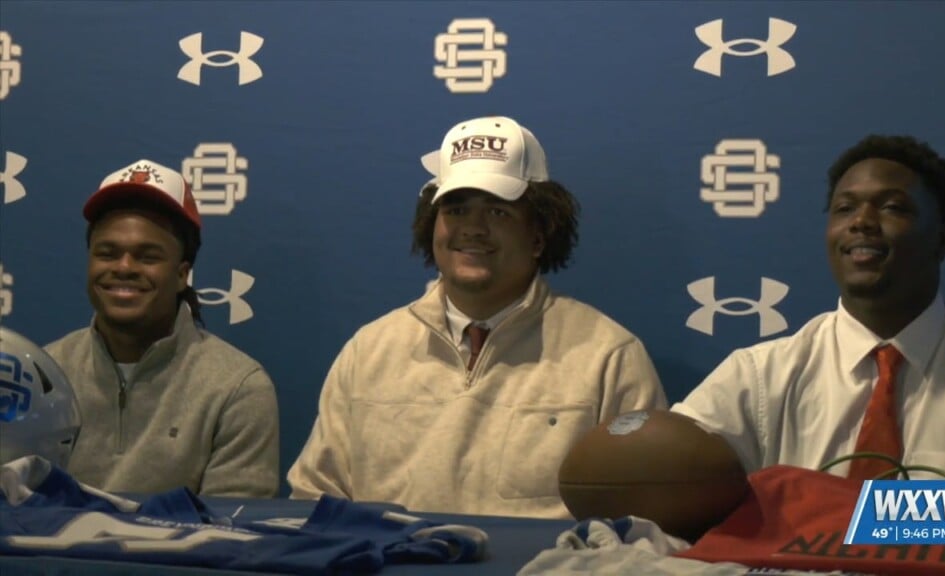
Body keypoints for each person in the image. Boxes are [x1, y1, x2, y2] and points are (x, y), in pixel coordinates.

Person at [288, 116, 667, 517]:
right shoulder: (370, 349)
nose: (472, 229)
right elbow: (316, 498)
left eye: (498, 212)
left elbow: (645, 520)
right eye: (455, 209)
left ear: (539, 235)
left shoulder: (608, 355)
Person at [673, 135, 945, 499]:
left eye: (892, 207)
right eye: (845, 208)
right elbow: (666, 486)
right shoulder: (759, 377)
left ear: (943, 237)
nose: (862, 222)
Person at [45, 159, 280, 497]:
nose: (124, 267)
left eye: (147, 256)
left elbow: (232, 538)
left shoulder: (237, 388)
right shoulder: (45, 375)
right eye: (107, 253)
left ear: (182, 274)